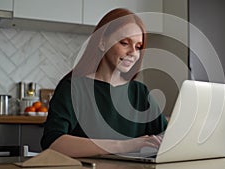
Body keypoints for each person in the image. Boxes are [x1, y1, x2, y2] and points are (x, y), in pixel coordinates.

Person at [41, 8, 168, 157]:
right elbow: (53, 143)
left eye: (138, 47)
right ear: (102, 43)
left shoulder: (140, 92)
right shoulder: (73, 88)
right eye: (125, 43)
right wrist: (125, 145)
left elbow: (165, 135)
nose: (133, 53)